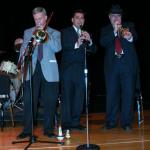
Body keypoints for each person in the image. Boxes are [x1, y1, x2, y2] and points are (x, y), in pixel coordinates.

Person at [17, 7, 61, 139]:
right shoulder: (28, 32)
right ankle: (27, 130)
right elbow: (23, 52)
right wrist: (32, 43)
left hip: (50, 70)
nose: (38, 21)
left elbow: (57, 48)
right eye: (36, 19)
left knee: (50, 101)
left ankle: (48, 130)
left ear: (46, 17)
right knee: (30, 100)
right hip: (32, 69)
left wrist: (45, 37)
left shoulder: (55, 32)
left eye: (40, 18)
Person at [100, 4, 140, 131]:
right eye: (113, 16)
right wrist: (114, 31)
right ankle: (111, 122)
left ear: (121, 17)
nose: (116, 18)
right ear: (109, 17)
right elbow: (103, 42)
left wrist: (129, 36)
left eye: (118, 16)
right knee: (112, 95)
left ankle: (126, 123)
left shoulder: (129, 26)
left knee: (128, 94)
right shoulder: (105, 30)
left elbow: (134, 37)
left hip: (128, 66)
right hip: (112, 67)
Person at [61, 9, 97, 131]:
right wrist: (77, 43)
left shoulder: (87, 33)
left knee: (79, 97)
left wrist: (90, 41)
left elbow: (94, 50)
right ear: (72, 19)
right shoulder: (65, 32)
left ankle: (76, 122)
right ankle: (66, 123)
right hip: (68, 69)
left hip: (82, 70)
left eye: (82, 18)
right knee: (67, 96)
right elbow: (64, 46)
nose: (80, 20)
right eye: (77, 17)